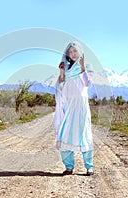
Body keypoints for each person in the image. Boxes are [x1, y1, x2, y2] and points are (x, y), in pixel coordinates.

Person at [53, 41, 94, 176]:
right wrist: (61, 72)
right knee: (65, 134)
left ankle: (89, 167)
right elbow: (62, 85)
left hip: (81, 106)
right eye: (70, 52)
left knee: (84, 134)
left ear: (80, 52)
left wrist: (82, 68)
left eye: (75, 51)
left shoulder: (86, 67)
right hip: (68, 106)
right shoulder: (67, 69)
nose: (72, 54)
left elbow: (87, 84)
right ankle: (69, 167)